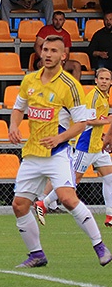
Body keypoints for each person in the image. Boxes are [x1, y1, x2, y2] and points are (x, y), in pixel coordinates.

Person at [9, 35, 111, 268]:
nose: (47, 54)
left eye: (54, 50)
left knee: (67, 198)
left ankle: (100, 246)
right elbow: (18, 108)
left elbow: (81, 123)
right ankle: (36, 254)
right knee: (19, 205)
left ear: (63, 56)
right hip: (33, 153)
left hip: (59, 152)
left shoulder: (70, 86)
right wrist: (14, 125)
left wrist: (60, 137)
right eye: (45, 49)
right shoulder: (30, 80)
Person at [35, 67, 112, 227]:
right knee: (72, 181)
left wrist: (103, 132)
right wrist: (106, 121)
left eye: (107, 79)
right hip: (86, 146)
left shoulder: (105, 97)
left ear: (111, 82)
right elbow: (87, 121)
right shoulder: (93, 96)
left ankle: (110, 215)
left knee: (110, 179)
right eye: (102, 79)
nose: (104, 81)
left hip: (97, 147)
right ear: (96, 80)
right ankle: (44, 203)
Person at [34, 11, 81, 78]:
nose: (58, 22)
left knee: (76, 65)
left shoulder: (66, 35)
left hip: (59, 61)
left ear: (64, 21)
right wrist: (42, 58)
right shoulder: (45, 30)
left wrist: (62, 61)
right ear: (52, 20)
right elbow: (37, 46)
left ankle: (74, 88)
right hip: (43, 59)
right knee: (48, 65)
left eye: (60, 20)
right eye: (56, 19)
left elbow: (66, 53)